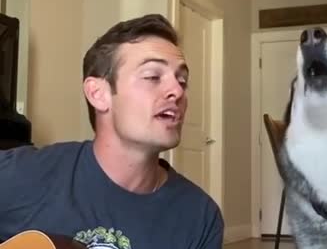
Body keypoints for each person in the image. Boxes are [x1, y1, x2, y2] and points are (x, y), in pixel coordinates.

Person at [0, 14, 224, 249]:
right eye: (152, 76)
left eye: (182, 80)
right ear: (98, 94)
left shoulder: (200, 218)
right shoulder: (25, 175)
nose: (177, 91)